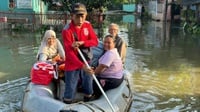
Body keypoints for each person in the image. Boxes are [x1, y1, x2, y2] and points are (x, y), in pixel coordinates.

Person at [62, 3, 98, 103]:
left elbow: (95, 41)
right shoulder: (67, 30)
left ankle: (88, 97)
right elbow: (69, 53)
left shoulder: (87, 25)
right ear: (72, 16)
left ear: (85, 15)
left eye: (82, 16)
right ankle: (67, 101)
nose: (80, 20)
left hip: (86, 58)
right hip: (72, 61)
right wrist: (82, 66)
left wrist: (83, 42)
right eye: (77, 16)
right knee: (71, 84)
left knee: (88, 80)